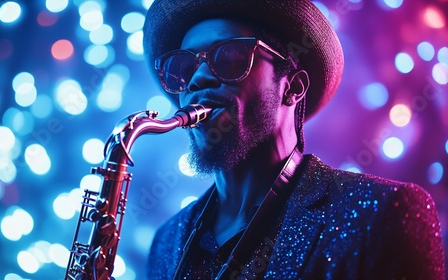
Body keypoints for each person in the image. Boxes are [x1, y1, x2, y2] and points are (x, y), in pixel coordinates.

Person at [142, 0, 445, 279]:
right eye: (184, 67)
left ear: (293, 88)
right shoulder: (166, 243)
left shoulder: (383, 214)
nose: (196, 80)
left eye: (231, 57)